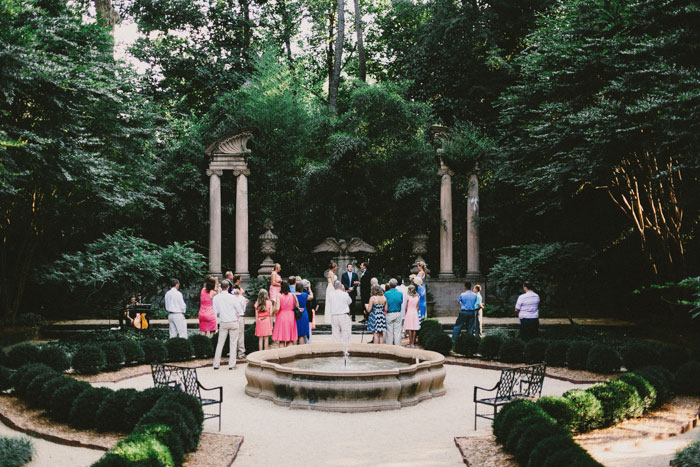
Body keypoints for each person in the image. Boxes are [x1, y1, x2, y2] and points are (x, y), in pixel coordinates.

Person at [212, 280, 239, 370]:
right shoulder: (232, 297)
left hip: (223, 322)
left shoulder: (216, 298)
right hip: (233, 321)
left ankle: (216, 364)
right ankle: (231, 365)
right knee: (233, 343)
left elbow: (215, 312)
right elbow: (239, 309)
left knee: (220, 343)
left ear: (221, 287)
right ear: (228, 287)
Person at [272, 280, 299, 347]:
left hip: (281, 316)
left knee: (281, 339)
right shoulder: (293, 295)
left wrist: (272, 313)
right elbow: (297, 305)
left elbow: (277, 308)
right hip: (291, 316)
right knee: (290, 339)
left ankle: (282, 355)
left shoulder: (279, 295)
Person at [328, 280, 352, 345]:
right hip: (343, 315)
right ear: (341, 286)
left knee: (335, 333)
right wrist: (344, 291)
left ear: (334, 286)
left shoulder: (330, 294)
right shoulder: (345, 294)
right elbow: (349, 302)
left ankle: (337, 347)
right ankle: (346, 346)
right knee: (345, 332)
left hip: (334, 315)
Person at [384, 279, 403, 346]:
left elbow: (384, 303)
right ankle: (397, 347)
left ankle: (389, 347)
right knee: (397, 332)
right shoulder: (400, 293)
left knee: (389, 332)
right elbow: (401, 302)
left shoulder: (386, 294)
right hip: (398, 313)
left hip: (389, 313)